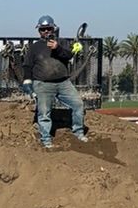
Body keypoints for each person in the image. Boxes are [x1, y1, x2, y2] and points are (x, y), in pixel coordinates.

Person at [25, 15, 90, 149]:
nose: (46, 31)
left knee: (78, 104)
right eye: (43, 29)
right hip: (42, 84)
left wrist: (57, 48)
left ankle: (78, 132)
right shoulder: (34, 47)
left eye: (49, 28)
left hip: (63, 83)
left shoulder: (62, 43)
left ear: (53, 29)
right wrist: (27, 82)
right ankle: (46, 140)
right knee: (44, 113)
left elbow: (69, 55)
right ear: (39, 31)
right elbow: (27, 65)